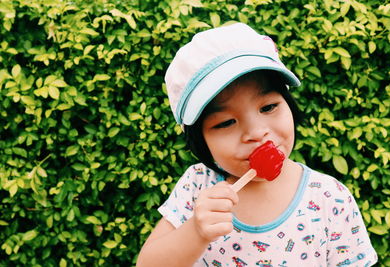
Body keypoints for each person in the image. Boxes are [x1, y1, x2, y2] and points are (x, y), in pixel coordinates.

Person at [136, 23, 377, 266]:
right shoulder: (198, 186)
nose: (256, 132)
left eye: (269, 107)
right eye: (227, 122)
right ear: (201, 141)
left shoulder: (329, 198)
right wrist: (195, 232)